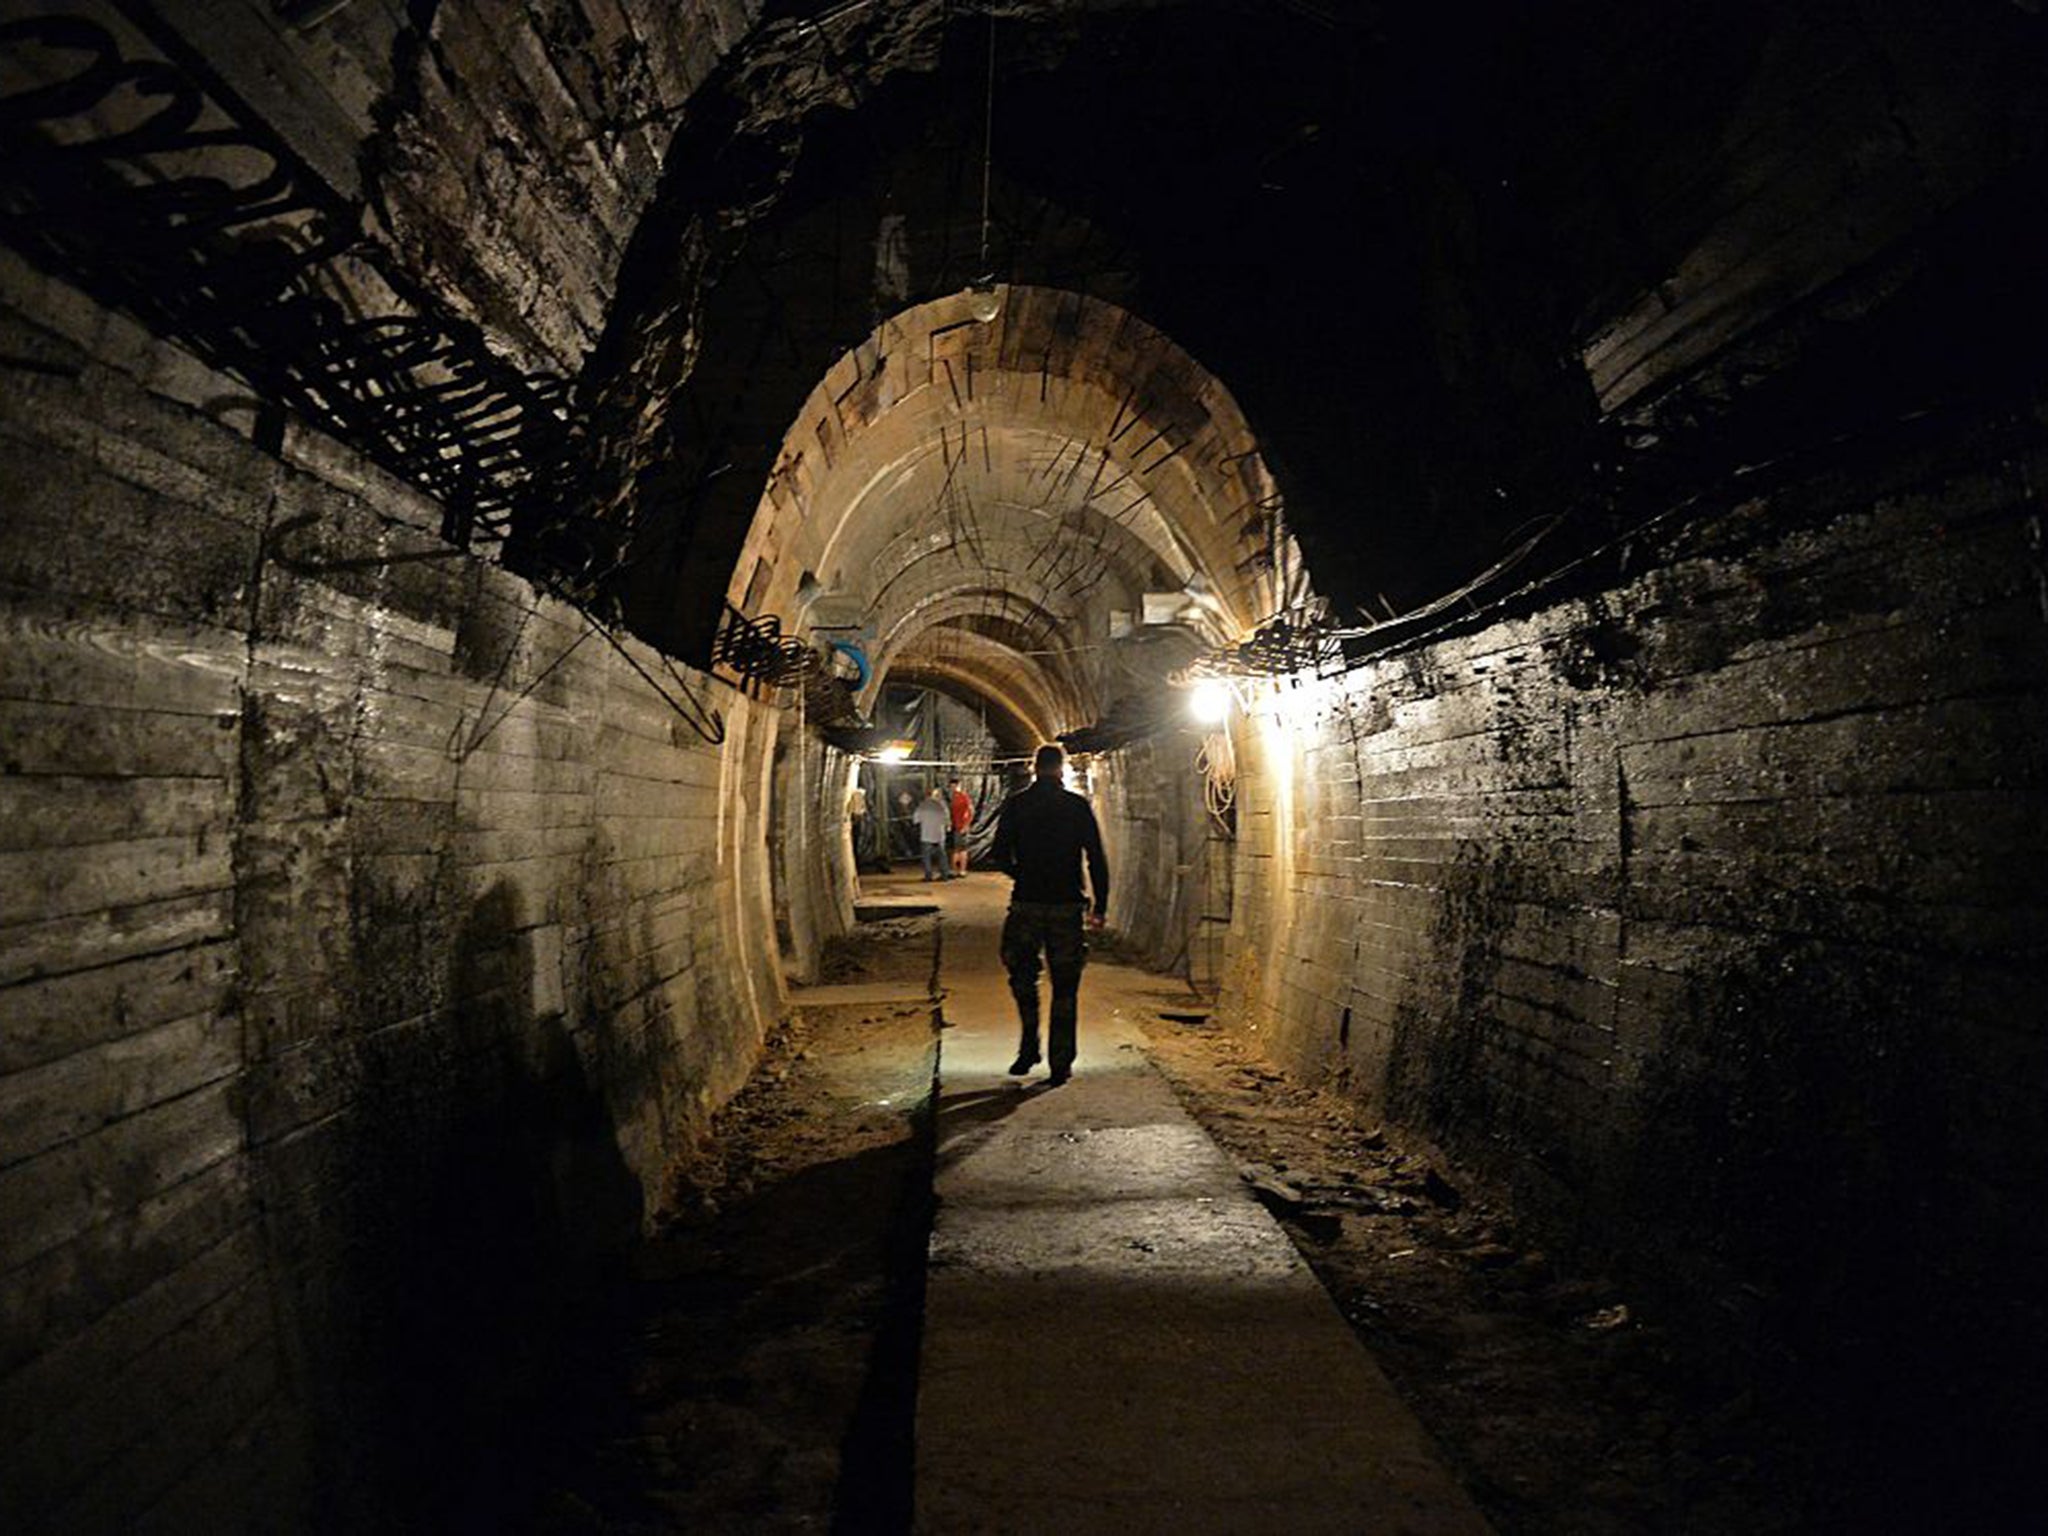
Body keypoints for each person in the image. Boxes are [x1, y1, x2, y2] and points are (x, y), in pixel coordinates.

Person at [989, 744, 1108, 1087]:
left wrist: (1022, 874)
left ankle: (1029, 1048)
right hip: (1067, 906)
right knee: (1066, 985)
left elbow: (999, 853)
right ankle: (1061, 1063)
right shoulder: (1076, 807)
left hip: (1027, 903)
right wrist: (1100, 906)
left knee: (1023, 977)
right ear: (1062, 768)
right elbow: (1096, 858)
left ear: (1033, 767)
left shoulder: (1017, 805)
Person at [912, 786, 950, 881]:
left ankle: (928, 876)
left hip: (926, 834)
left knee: (926, 857)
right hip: (939, 835)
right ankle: (944, 874)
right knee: (942, 855)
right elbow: (947, 821)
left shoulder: (922, 806)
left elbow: (916, 820)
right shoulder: (941, 806)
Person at [947, 776, 973, 878]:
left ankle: (959, 870)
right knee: (959, 849)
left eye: (953, 786)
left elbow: (969, 812)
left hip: (960, 827)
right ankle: (959, 870)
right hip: (959, 827)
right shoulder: (959, 797)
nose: (952, 788)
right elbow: (970, 812)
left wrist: (965, 825)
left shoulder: (960, 797)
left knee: (960, 850)